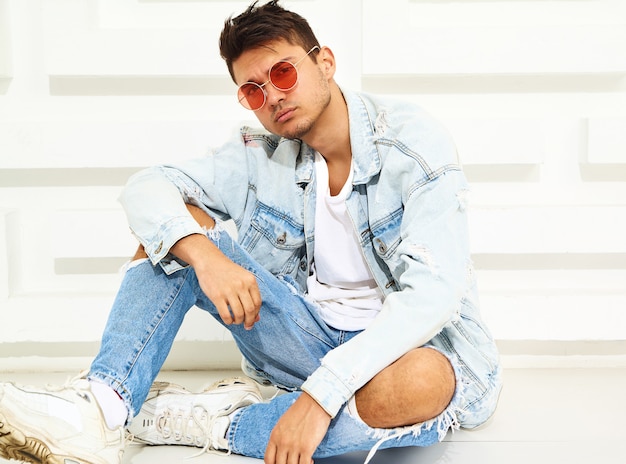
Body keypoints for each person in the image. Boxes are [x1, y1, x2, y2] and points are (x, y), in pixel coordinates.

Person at [0, 1, 502, 463]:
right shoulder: (261, 152)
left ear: (324, 62)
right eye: (253, 90)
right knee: (179, 230)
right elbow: (146, 187)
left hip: (396, 356)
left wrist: (322, 395)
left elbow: (433, 297)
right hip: (303, 339)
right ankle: (103, 411)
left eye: (283, 72)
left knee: (423, 384)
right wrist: (206, 256)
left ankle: (206, 422)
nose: (274, 97)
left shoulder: (412, 144)